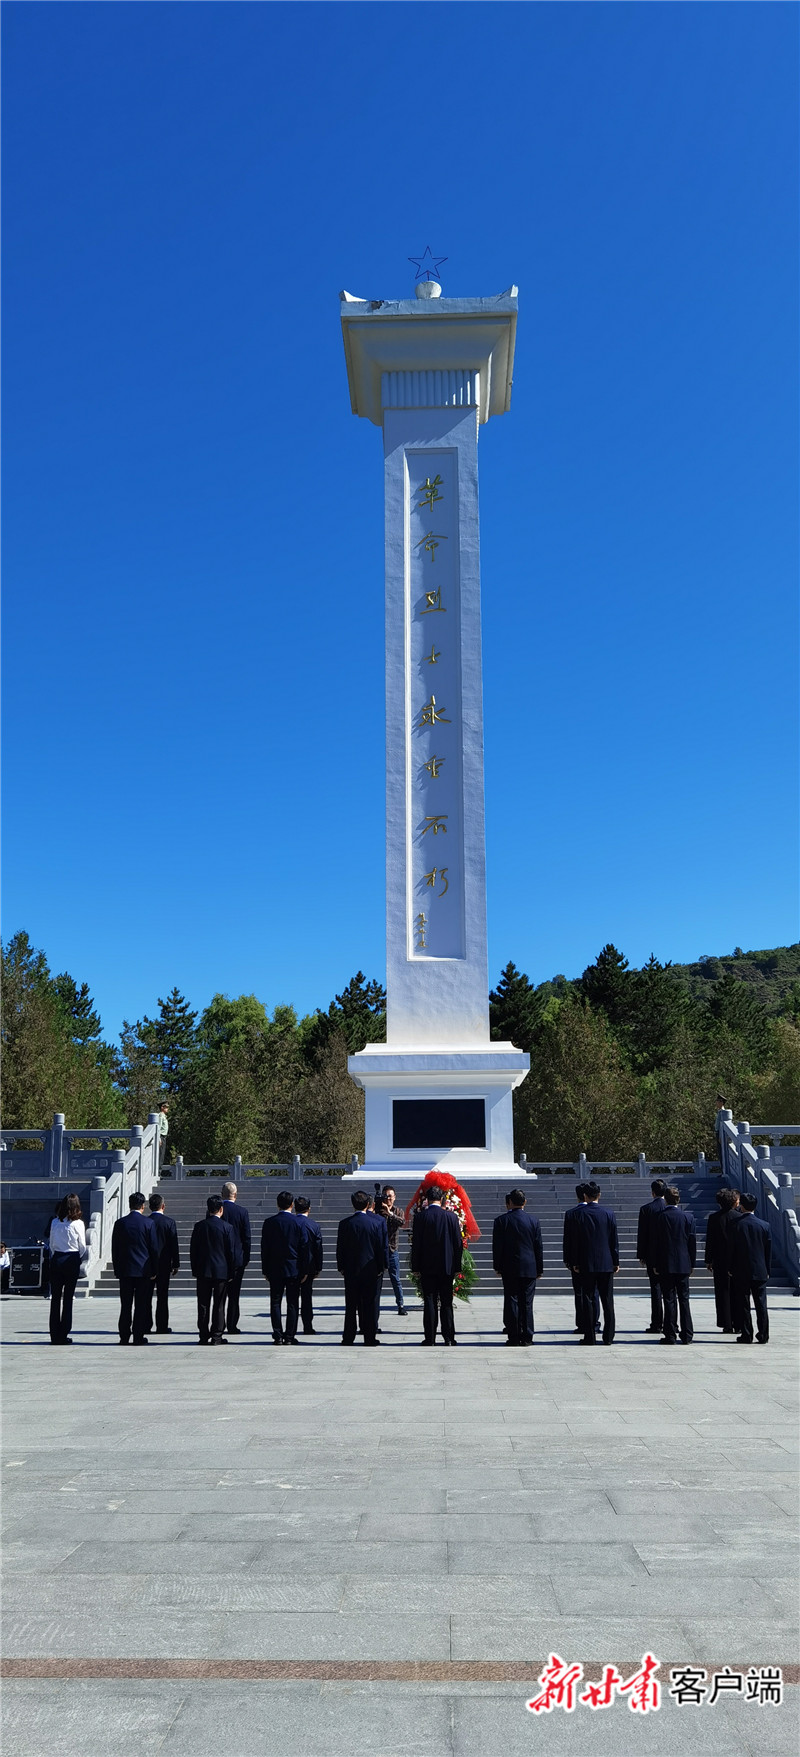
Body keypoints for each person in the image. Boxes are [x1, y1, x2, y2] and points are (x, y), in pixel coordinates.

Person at [411, 1185, 463, 1346]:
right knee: (446, 1303)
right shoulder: (451, 1217)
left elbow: (416, 1244)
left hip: (427, 1266)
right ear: (441, 1199)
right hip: (447, 1266)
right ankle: (448, 1338)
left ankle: (430, 1338)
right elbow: (457, 1244)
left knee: (430, 1301)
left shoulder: (420, 1217)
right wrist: (456, 1267)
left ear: (426, 1199)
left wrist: (416, 1267)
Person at [336, 1189, 387, 1346]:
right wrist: (382, 1266)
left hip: (351, 1270)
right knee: (370, 1304)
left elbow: (340, 1249)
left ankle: (348, 1337)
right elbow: (381, 1248)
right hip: (371, 1270)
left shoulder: (345, 1224)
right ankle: (369, 1337)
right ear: (368, 1204)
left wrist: (342, 1267)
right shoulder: (377, 1223)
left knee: (351, 1305)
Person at [492, 1188, 543, 1345]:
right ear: (524, 1202)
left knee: (512, 1300)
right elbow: (538, 1247)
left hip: (509, 1267)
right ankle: (527, 1336)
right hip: (529, 1267)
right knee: (527, 1302)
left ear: (510, 1202)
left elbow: (497, 1247)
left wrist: (497, 1267)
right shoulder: (533, 1221)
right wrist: (539, 1269)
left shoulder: (501, 1221)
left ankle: (513, 1336)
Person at [570, 1181, 619, 1345]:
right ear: (599, 1195)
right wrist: (615, 1261)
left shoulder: (579, 1214)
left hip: (587, 1262)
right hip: (606, 1262)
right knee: (607, 1301)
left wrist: (575, 1261)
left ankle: (589, 1336)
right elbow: (614, 1240)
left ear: (585, 1196)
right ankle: (609, 1336)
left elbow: (575, 1242)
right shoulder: (608, 1213)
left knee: (589, 1299)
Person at [260, 1191, 309, 1345]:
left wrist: (265, 1269)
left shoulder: (269, 1222)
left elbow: (264, 1248)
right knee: (293, 1303)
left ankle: (277, 1334)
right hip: (293, 1268)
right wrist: (305, 1269)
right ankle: (289, 1336)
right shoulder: (298, 1223)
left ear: (277, 1204)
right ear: (292, 1205)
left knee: (275, 1302)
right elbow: (304, 1248)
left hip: (274, 1268)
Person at [111, 1192, 160, 1345]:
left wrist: (117, 1269)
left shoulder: (120, 1223)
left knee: (125, 1305)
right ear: (143, 1206)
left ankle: (124, 1336)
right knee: (140, 1305)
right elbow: (154, 1249)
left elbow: (115, 1249)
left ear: (129, 1204)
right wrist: (154, 1270)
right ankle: (138, 1336)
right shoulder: (148, 1223)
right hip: (143, 1271)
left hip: (125, 1270)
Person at [189, 1194, 238, 1345]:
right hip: (221, 1271)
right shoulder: (227, 1228)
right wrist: (231, 1272)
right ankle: (217, 1335)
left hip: (203, 1271)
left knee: (203, 1304)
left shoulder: (199, 1226)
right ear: (221, 1209)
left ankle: (203, 1335)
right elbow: (231, 1252)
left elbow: (193, 1251)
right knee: (219, 1304)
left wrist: (195, 1269)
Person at [653, 1186, 696, 1345]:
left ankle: (670, 1334)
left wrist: (656, 1263)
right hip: (684, 1263)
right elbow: (692, 1242)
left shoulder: (659, 1217)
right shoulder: (688, 1218)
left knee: (669, 1299)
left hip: (666, 1263)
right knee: (684, 1300)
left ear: (665, 1199)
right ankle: (687, 1334)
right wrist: (692, 1262)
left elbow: (655, 1243)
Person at [730, 1192, 772, 1344]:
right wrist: (767, 1269)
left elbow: (731, 1249)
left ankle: (746, 1334)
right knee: (761, 1304)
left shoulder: (735, 1225)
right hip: (760, 1270)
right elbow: (768, 1251)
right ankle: (763, 1334)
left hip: (740, 1270)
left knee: (744, 1304)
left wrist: (730, 1267)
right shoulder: (764, 1225)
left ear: (741, 1206)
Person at [48, 1194, 89, 1344]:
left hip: (57, 1258)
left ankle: (54, 1333)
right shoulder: (78, 1224)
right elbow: (82, 1246)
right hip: (71, 1259)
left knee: (55, 1299)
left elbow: (52, 1244)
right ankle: (64, 1332)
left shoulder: (54, 1222)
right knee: (68, 1299)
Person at [563, 1184, 600, 1334]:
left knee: (580, 1292)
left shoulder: (572, 1213)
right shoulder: (600, 1212)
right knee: (594, 1293)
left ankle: (582, 1323)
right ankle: (594, 1323)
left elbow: (568, 1240)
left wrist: (568, 1260)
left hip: (577, 1260)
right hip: (596, 1259)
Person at [704, 1187, 739, 1332]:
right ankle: (738, 1322)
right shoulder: (739, 1217)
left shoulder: (714, 1218)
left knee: (722, 1291)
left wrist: (708, 1260)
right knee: (737, 1292)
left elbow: (710, 1241)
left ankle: (726, 1323)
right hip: (737, 1260)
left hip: (719, 1260)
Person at [636, 1178, 668, 1333]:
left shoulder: (646, 1209)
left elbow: (642, 1234)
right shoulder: (670, 1207)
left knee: (655, 1289)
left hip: (652, 1254)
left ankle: (657, 1323)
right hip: (669, 1254)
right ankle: (670, 1323)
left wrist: (641, 1254)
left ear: (653, 1192)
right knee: (670, 1290)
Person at [220, 1181, 251, 1335]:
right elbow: (247, 1238)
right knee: (234, 1295)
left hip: (220, 1259)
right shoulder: (242, 1212)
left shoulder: (216, 1210)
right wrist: (246, 1258)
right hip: (237, 1259)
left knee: (220, 1295)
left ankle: (219, 1324)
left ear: (221, 1194)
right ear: (236, 1195)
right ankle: (232, 1325)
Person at [146, 1193, 180, 1334]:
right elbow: (174, 1245)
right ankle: (162, 1326)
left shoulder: (146, 1222)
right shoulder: (169, 1222)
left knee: (146, 1297)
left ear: (149, 1207)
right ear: (163, 1206)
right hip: (164, 1264)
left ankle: (146, 1325)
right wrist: (175, 1263)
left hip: (147, 1265)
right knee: (162, 1296)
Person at [376, 1186, 408, 1318]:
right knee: (377, 1280)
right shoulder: (377, 1211)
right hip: (378, 1250)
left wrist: (390, 1213)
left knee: (396, 1279)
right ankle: (374, 1305)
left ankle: (400, 1305)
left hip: (392, 1249)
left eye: (390, 1196)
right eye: (386, 1196)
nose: (388, 1198)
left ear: (395, 1197)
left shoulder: (398, 1211)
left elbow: (402, 1222)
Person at [294, 1194, 323, 1334]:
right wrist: (318, 1267)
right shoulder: (314, 1225)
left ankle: (291, 1327)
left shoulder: (290, 1223)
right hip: (309, 1266)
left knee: (292, 1298)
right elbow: (318, 1248)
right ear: (309, 1209)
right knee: (307, 1297)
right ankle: (307, 1325)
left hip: (292, 1266)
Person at [156, 1101, 170, 1170]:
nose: (167, 1109)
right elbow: (159, 1127)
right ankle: (159, 1171)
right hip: (161, 1137)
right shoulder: (161, 1116)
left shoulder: (164, 1116)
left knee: (162, 1155)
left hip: (164, 1137)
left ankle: (159, 1171)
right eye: (166, 1107)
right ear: (162, 1107)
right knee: (160, 1155)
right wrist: (159, 1139)